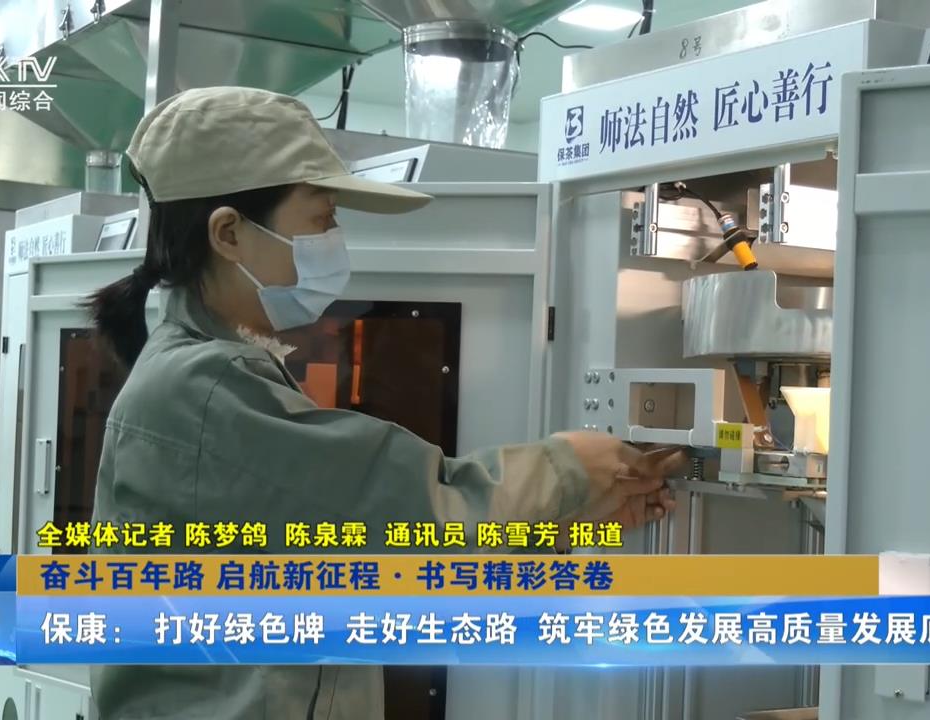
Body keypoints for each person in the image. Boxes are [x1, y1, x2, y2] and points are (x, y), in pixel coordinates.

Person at [85, 86, 684, 720]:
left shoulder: (209, 370)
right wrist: (570, 469)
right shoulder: (206, 387)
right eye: (322, 219)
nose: (334, 239)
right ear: (229, 233)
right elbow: (417, 511)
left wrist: (564, 522)